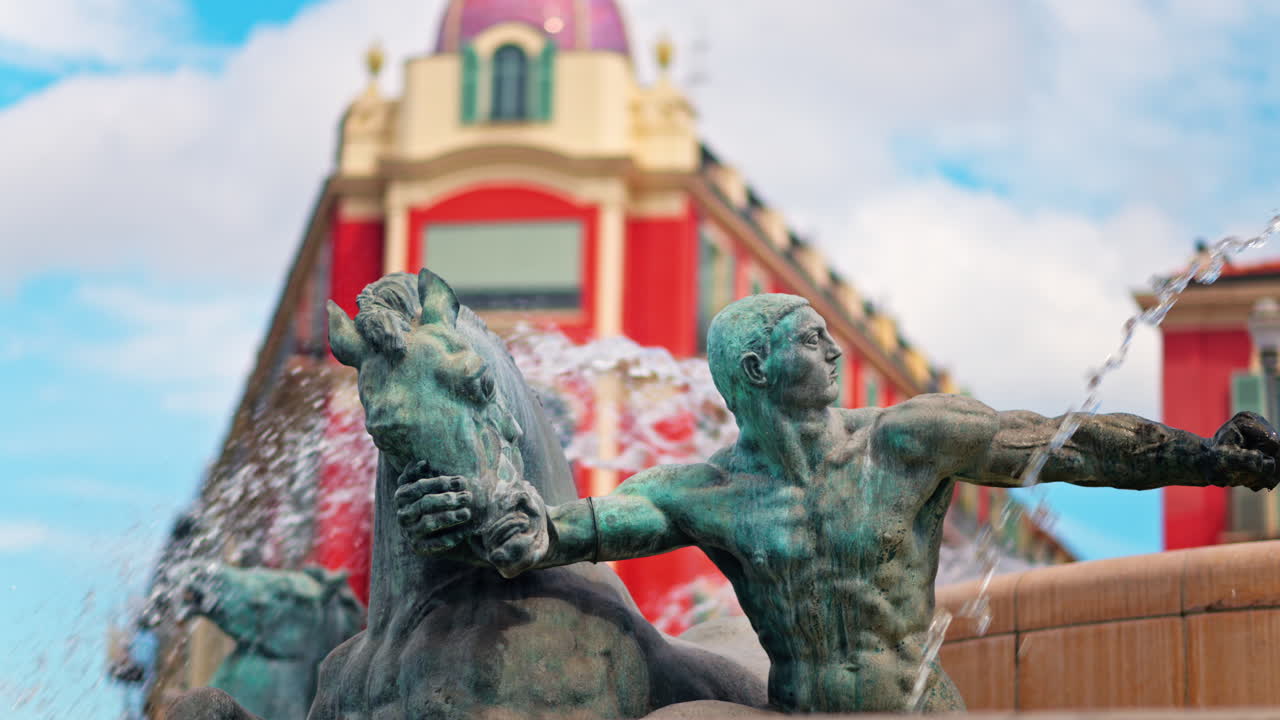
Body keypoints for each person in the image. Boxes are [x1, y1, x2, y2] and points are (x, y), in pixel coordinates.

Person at [394, 293, 1280, 713]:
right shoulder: (705, 492)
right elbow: (571, 531)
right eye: (810, 338)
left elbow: (1069, 446)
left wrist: (1211, 460)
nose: (831, 346)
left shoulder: (909, 439)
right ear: (756, 372)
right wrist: (478, 520)